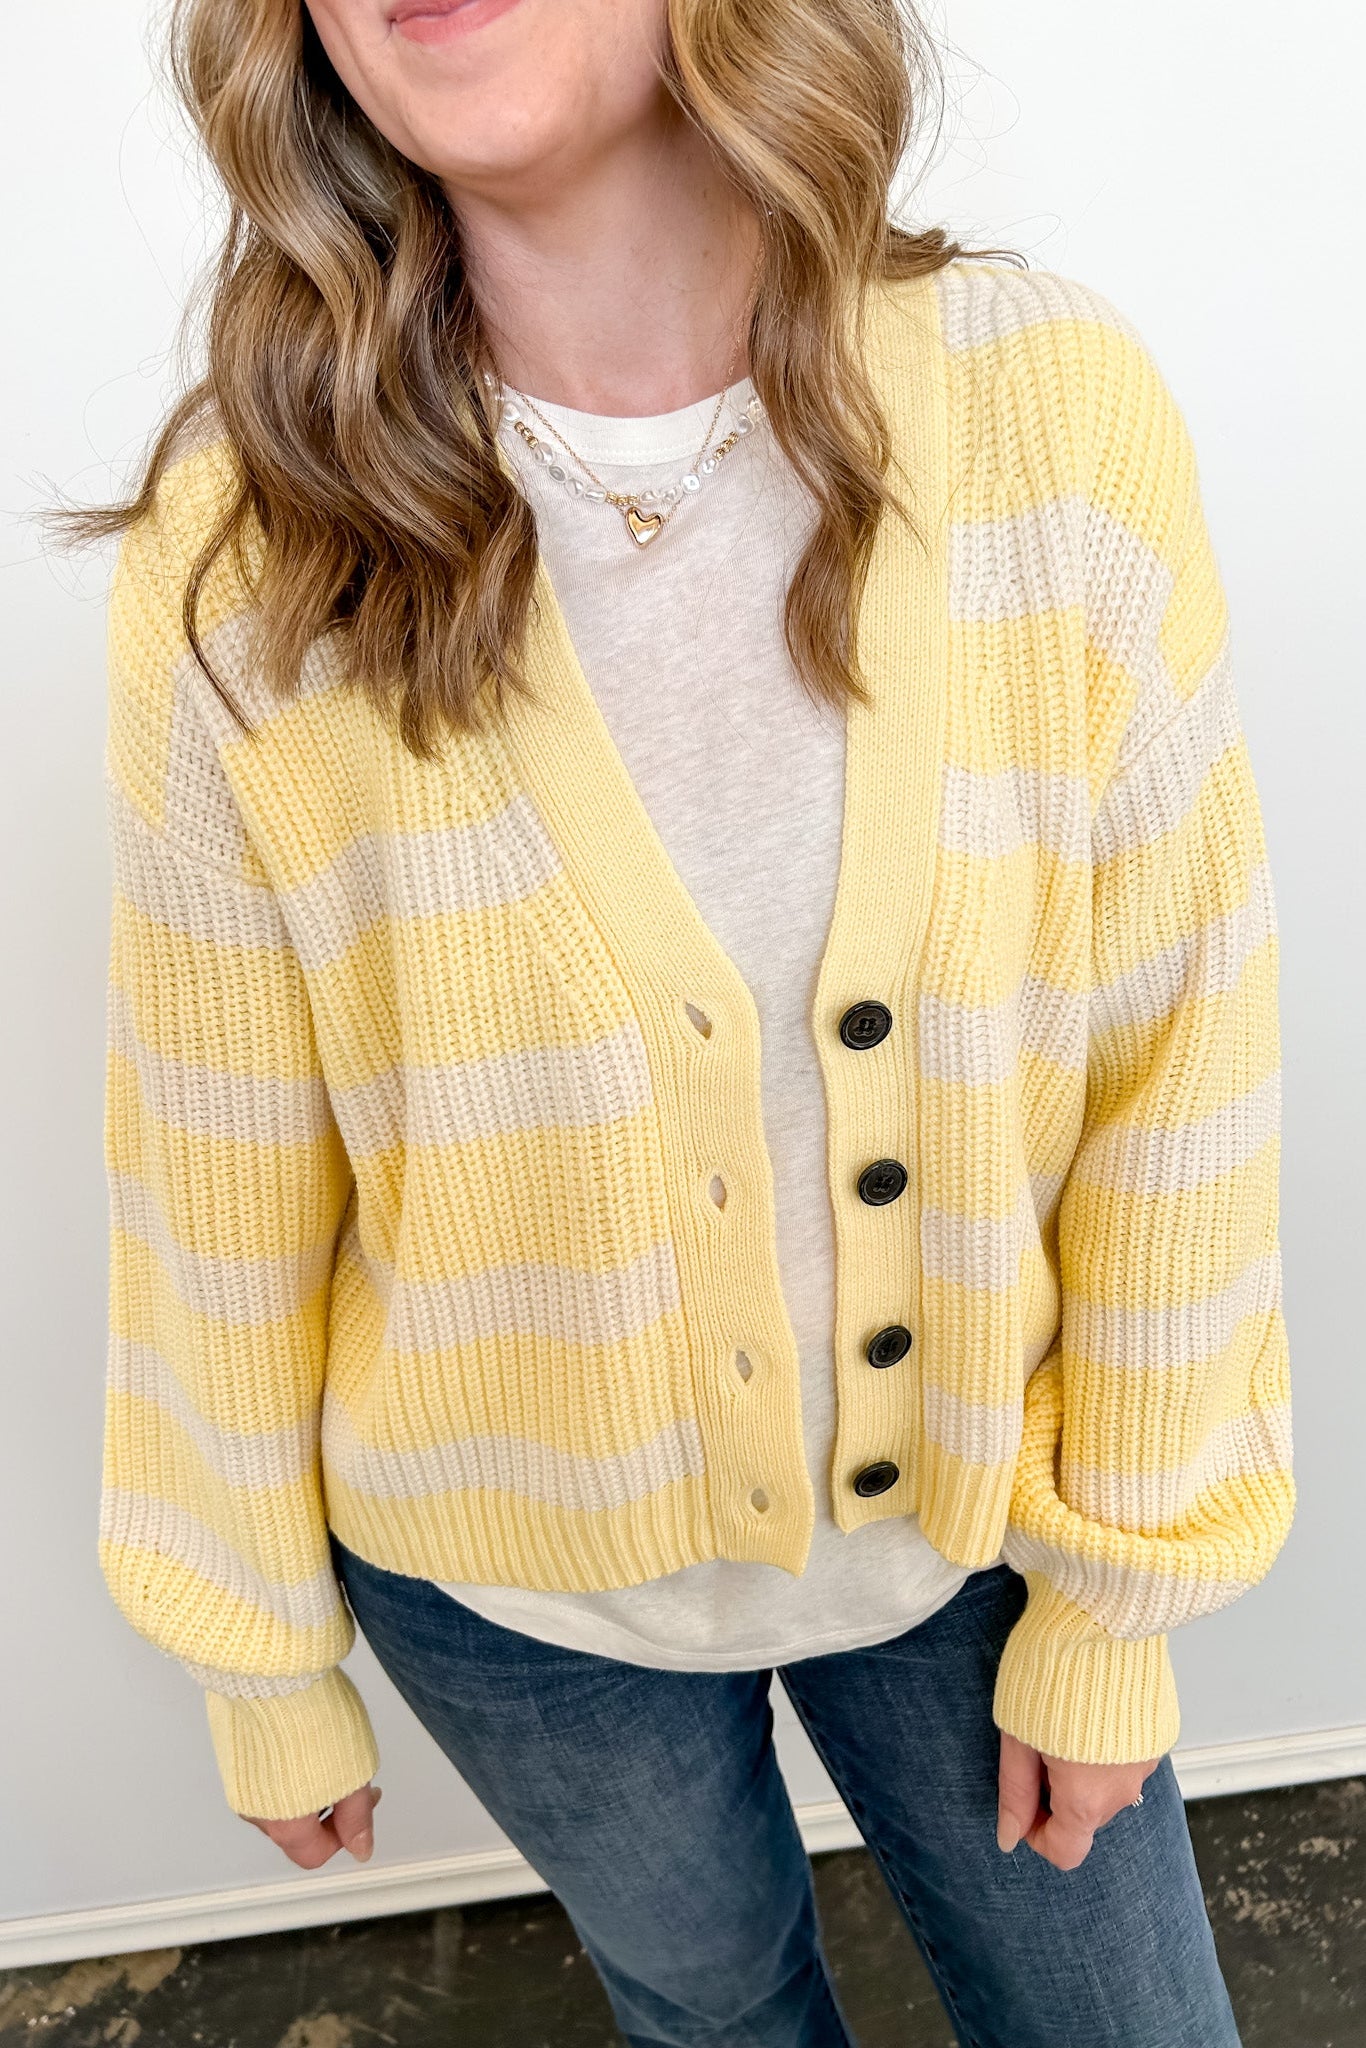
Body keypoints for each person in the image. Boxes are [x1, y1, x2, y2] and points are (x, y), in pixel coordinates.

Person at [78, 0, 1293, 2041]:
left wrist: (1120, 1590)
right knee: (709, 2016)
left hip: (978, 1532)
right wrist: (254, 1645)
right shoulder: (249, 535)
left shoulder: (1040, 415)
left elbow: (1179, 1061)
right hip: (513, 1587)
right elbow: (213, 1148)